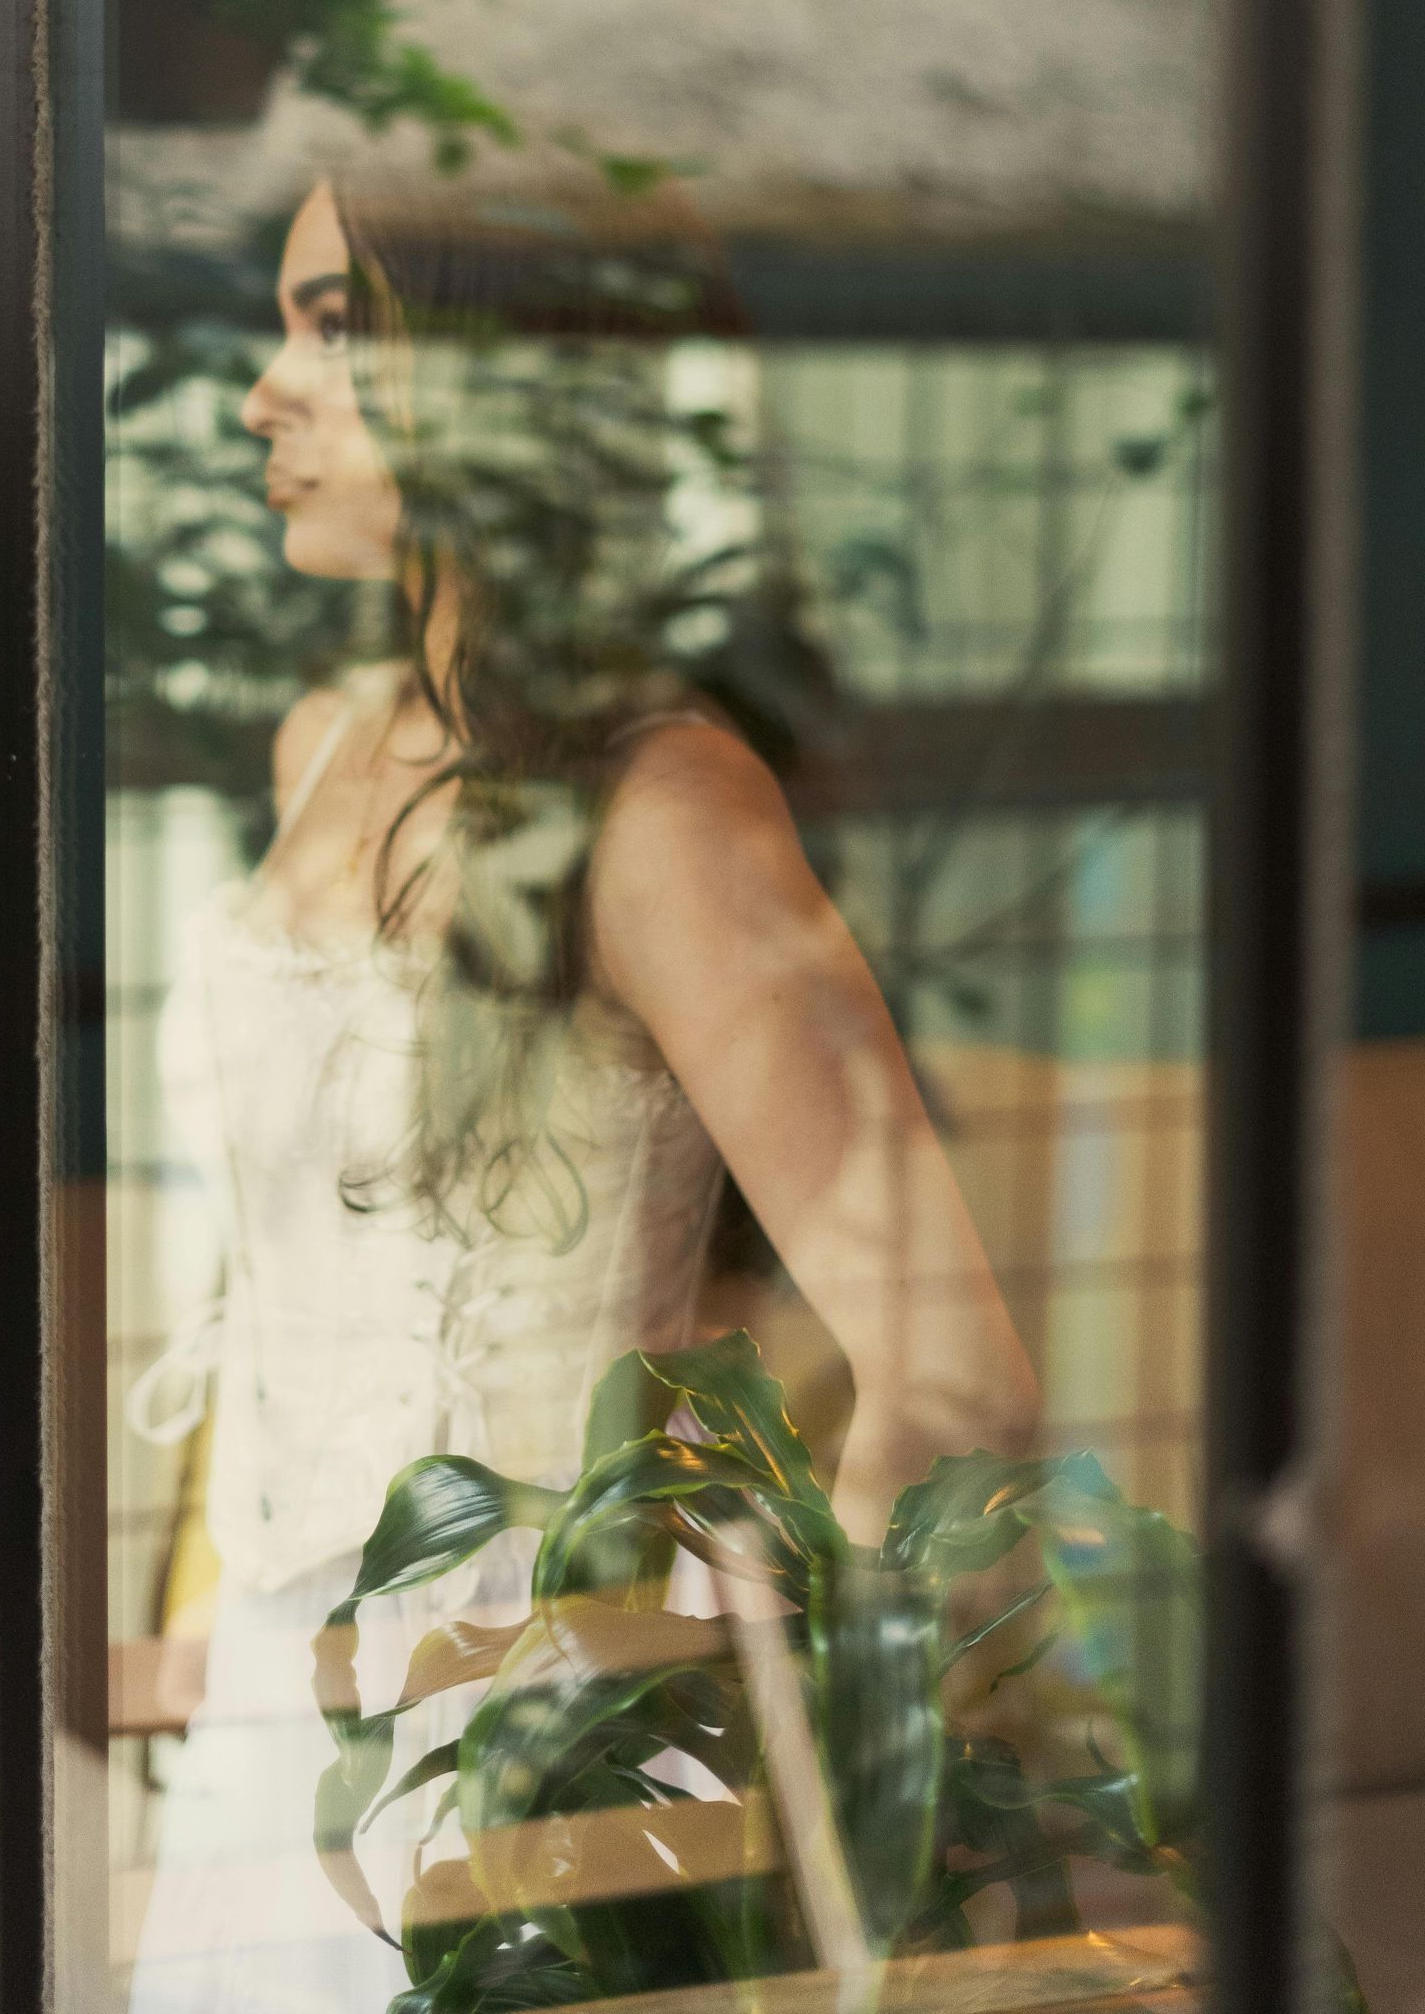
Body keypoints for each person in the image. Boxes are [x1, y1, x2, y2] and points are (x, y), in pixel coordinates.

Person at [129, 173, 1035, 2013]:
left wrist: (735, 1744)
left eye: (333, 325)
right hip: (267, 1704)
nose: (260, 394)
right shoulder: (323, 746)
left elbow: (955, 1381)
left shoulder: (669, 812)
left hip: (541, 1740)